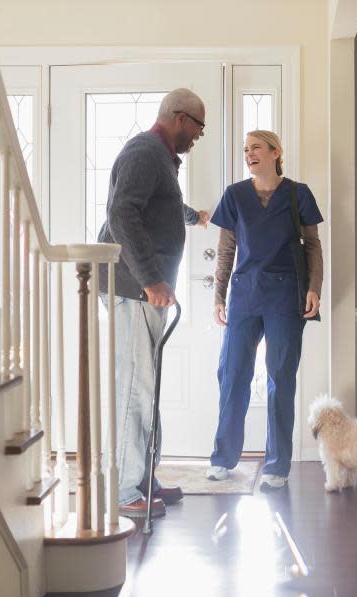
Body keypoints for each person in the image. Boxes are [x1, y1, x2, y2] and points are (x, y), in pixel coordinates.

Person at [97, 88, 210, 518]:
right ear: (180, 119)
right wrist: (151, 280)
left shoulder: (158, 160)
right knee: (135, 388)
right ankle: (127, 491)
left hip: (141, 289)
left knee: (148, 386)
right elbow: (122, 214)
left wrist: (193, 216)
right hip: (133, 289)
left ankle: (144, 477)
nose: (198, 136)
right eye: (198, 127)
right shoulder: (145, 153)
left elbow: (158, 207)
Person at [205, 130, 324, 490]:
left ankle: (277, 465)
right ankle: (223, 459)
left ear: (276, 152)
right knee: (232, 375)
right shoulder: (235, 195)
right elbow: (226, 250)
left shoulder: (297, 193)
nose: (249, 154)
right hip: (244, 295)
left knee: (280, 377)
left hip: (286, 296)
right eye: (245, 149)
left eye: (255, 147)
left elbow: (313, 246)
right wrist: (218, 295)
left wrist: (314, 289)